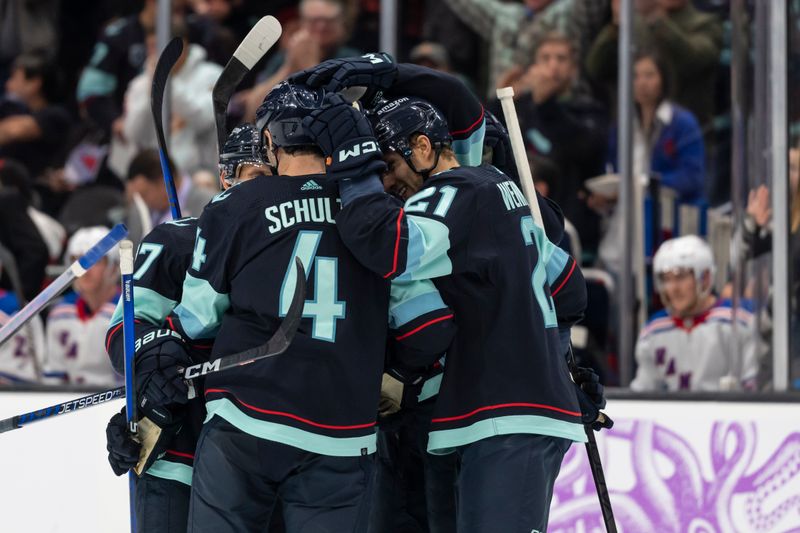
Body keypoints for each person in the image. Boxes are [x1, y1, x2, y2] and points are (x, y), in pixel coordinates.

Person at [291, 53, 601, 531]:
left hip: (505, 410)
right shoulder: (500, 190)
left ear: (422, 147)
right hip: (497, 411)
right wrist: (555, 362)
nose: (388, 182)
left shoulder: (454, 191)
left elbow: (387, 244)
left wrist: (355, 170)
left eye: (389, 166)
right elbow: (570, 291)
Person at [171, 83, 451, 532]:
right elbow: (428, 329)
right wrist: (390, 373)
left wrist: (159, 352)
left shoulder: (233, 203)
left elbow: (197, 322)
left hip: (246, 419)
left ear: (269, 143)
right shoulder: (378, 216)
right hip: (342, 432)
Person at [104, 123, 272, 533]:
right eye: (256, 177)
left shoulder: (289, 247)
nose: (266, 192)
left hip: (259, 463)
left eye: (275, 179)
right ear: (225, 177)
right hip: (178, 454)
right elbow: (122, 332)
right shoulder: (179, 240)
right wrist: (151, 366)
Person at [490, 32, 608, 253]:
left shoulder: (588, 110)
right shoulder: (517, 106)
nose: (553, 66)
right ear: (533, 66)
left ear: (574, 69)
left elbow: (587, 149)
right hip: (516, 225)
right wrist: (498, 101)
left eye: (561, 59)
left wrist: (545, 105)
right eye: (545, 58)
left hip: (570, 233)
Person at [596, 49, 705, 274]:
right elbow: (612, 169)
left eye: (649, 75)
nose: (642, 83)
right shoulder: (623, 124)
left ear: (663, 79)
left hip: (666, 222)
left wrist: (644, 184)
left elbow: (692, 177)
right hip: (625, 222)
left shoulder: (681, 123)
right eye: (635, 76)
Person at [630, 235, 758, 392]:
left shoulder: (739, 322)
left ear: (705, 278)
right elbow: (643, 392)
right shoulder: (653, 332)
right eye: (666, 279)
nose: (672, 288)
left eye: (680, 277)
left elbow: (754, 387)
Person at [122, 21, 222, 175]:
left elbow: (203, 120)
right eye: (150, 47)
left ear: (181, 46)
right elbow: (134, 134)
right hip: (155, 175)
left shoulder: (212, 75)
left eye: (158, 46)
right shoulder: (139, 84)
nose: (153, 54)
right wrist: (149, 91)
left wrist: (166, 80)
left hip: (201, 174)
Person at [43, 227, 121, 386]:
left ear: (113, 266)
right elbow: (54, 376)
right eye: (77, 260)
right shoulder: (59, 313)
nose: (85, 269)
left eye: (96, 261)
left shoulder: (130, 312)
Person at [126, 149, 215, 229]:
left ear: (163, 181)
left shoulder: (210, 204)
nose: (142, 201)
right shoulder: (141, 213)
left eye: (144, 193)